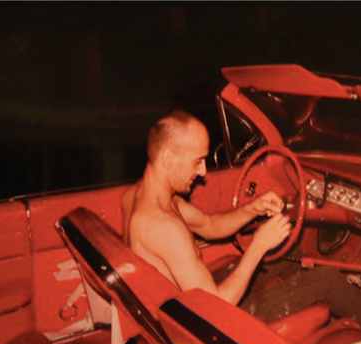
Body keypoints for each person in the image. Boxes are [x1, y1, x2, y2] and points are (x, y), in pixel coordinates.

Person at [122, 110, 291, 305]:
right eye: (198, 161)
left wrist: (252, 209)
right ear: (168, 159)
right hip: (197, 324)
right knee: (326, 281)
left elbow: (209, 225)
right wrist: (258, 246)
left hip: (188, 303)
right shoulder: (163, 226)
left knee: (288, 260)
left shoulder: (139, 196)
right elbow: (215, 307)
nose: (202, 172)